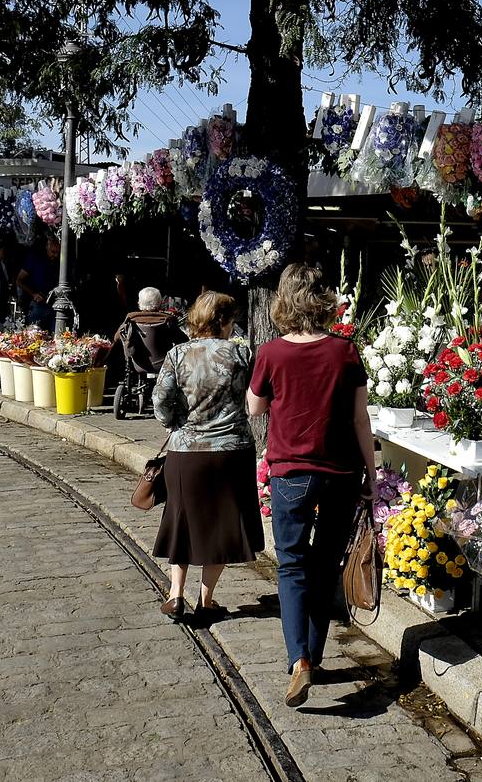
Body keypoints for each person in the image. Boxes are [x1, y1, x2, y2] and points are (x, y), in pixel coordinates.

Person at [248, 264, 377, 708]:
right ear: (323, 300)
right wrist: (373, 475)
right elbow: (361, 419)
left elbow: (255, 408)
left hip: (291, 473)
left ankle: (299, 659)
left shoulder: (271, 353)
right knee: (325, 566)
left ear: (284, 301)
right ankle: (315, 656)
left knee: (291, 565)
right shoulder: (345, 351)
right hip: (340, 472)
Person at [151, 291, 261, 624]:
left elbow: (160, 402)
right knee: (222, 526)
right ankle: (206, 599)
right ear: (227, 321)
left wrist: (176, 424)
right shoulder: (242, 352)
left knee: (181, 521)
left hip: (186, 452)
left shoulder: (177, 355)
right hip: (232, 451)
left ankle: (175, 595)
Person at [16, 236, 60, 330]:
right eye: (53, 252)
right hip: (38, 302)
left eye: (57, 253)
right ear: (47, 247)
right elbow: (19, 280)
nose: (55, 255)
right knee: (34, 333)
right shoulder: (35, 258)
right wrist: (33, 294)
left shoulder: (57, 262)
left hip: (54, 304)